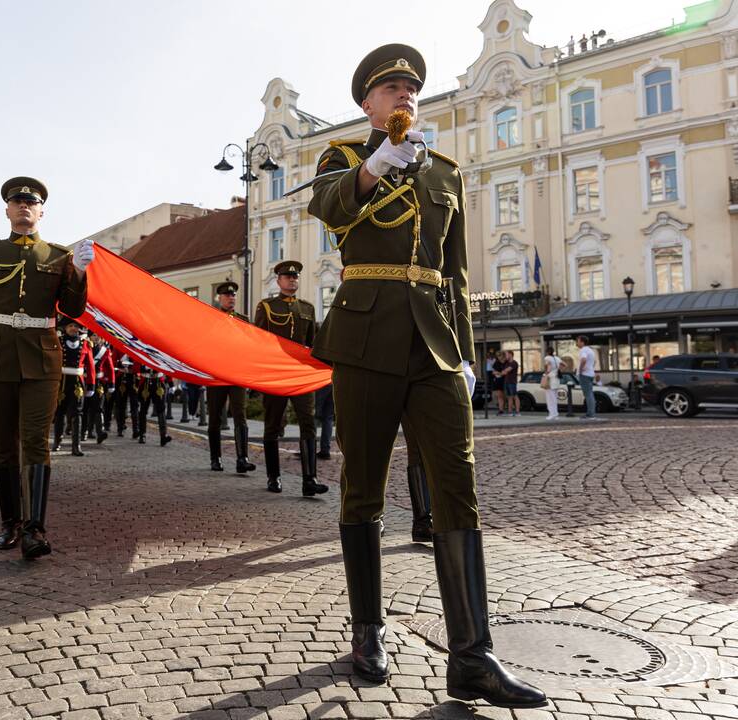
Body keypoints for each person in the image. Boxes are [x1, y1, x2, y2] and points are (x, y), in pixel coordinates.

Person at [306, 44, 546, 708]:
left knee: (457, 494)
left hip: (434, 346)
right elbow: (328, 208)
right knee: (362, 490)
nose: (405, 93)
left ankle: (472, 656)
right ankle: (368, 630)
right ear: (368, 103)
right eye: (391, 87)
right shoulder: (346, 160)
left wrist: (465, 354)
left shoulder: (444, 170)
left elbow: (458, 273)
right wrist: (378, 164)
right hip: (363, 338)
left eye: (412, 86)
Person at [0, 176, 91, 559]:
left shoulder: (58, 256)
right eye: (17, 202)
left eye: (30, 203)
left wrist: (80, 274)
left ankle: (35, 530)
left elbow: (73, 309)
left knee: (35, 441)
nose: (23, 207)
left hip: (41, 360)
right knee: (3, 445)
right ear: (7, 209)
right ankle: (10, 523)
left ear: (41, 211)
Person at [253, 260, 328, 497]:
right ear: (279, 281)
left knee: (308, 423)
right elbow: (258, 342)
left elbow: (312, 344)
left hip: (300, 375)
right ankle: (273, 477)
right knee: (273, 425)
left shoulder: (307, 308)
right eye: (288, 277)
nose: (292, 280)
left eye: (295, 277)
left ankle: (310, 479)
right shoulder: (266, 307)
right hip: (276, 374)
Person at [206, 281, 256, 474]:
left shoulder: (243, 320)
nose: (231, 298)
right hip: (216, 374)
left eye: (233, 295)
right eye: (227, 296)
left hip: (237, 375)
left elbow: (250, 346)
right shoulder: (210, 318)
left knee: (240, 416)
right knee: (215, 417)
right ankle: (215, 458)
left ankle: (242, 458)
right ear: (220, 298)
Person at [52, 318, 96, 457]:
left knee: (77, 414)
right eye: (70, 326)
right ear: (65, 328)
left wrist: (91, 385)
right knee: (59, 412)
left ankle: (76, 446)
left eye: (76, 326)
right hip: (62, 381)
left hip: (78, 382)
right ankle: (57, 442)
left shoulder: (85, 344)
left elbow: (91, 366)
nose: (73, 328)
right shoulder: (58, 341)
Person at [136, 361, 172, 446]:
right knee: (143, 410)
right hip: (145, 383)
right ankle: (142, 434)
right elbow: (136, 366)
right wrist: (142, 369)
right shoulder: (141, 350)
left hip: (159, 382)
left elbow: (167, 363)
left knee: (161, 410)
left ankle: (163, 436)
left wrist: (170, 381)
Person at [576, 335, 598, 419]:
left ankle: (590, 414)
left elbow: (583, 359)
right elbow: (595, 361)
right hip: (590, 374)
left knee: (588, 394)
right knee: (590, 393)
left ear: (582, 342)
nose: (577, 343)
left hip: (584, 374)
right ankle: (591, 413)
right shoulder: (590, 350)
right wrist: (590, 368)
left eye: (577, 341)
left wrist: (581, 369)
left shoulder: (583, 350)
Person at [314, 381, 335, 460]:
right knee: (328, 417)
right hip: (333, 381)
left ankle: (309, 449)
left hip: (321, 380)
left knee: (313, 414)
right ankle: (325, 450)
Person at [543, 346, 562, 420]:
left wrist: (545, 374)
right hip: (557, 379)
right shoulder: (557, 358)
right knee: (554, 397)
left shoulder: (547, 358)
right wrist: (558, 370)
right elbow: (565, 364)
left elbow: (549, 367)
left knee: (549, 397)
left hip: (550, 379)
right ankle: (556, 414)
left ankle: (552, 414)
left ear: (547, 352)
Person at [502, 351, 520, 416]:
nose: (506, 356)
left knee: (515, 396)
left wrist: (505, 371)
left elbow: (507, 370)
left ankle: (518, 412)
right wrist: (504, 371)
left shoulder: (514, 363)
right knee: (509, 397)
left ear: (510, 355)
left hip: (512, 382)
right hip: (507, 381)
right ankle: (510, 412)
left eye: (506, 355)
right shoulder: (507, 363)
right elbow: (503, 372)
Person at [490, 351, 506, 415]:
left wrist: (500, 373)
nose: (499, 357)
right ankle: (501, 409)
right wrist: (500, 373)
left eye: (500, 355)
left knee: (505, 395)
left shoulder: (506, 363)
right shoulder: (496, 363)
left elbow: (505, 372)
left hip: (505, 380)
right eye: (498, 356)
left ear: (503, 356)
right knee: (499, 396)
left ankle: (505, 408)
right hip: (498, 381)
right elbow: (493, 372)